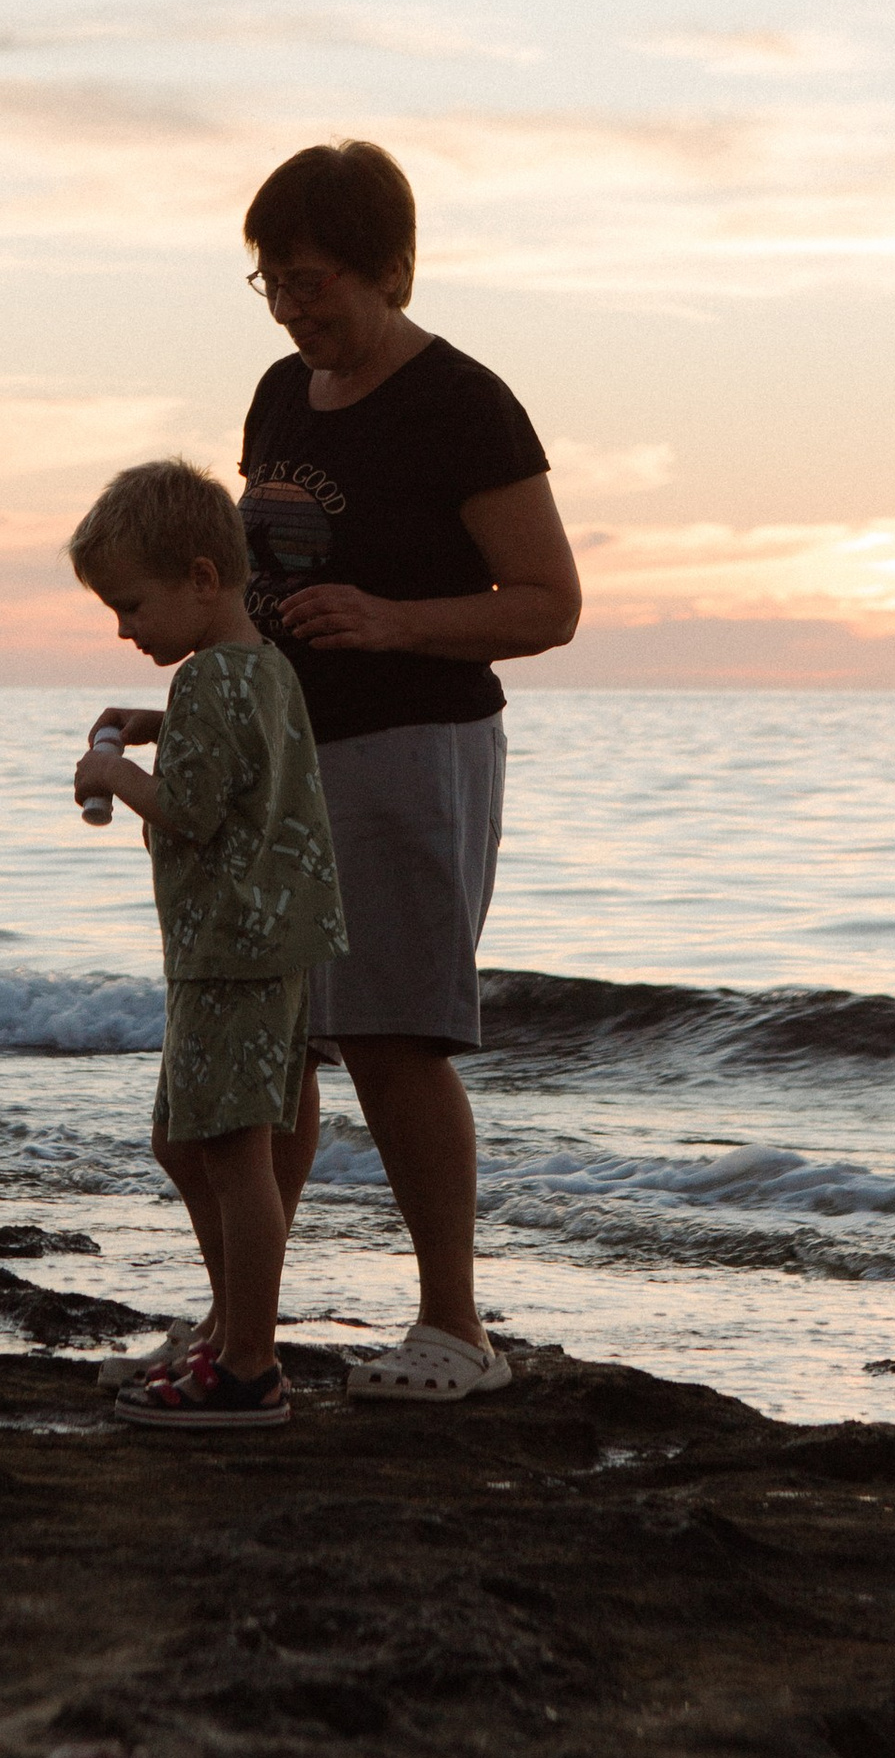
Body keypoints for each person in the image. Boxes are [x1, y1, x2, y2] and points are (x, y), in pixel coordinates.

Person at [237, 139, 580, 1400]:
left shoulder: (462, 404)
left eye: (313, 280)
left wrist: (390, 619)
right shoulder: (277, 394)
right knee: (269, 1040)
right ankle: (243, 1329)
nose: (291, 305)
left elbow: (548, 604)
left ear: (392, 269)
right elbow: (259, 586)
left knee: (392, 1038)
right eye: (270, 282)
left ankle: (455, 1331)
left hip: (410, 749)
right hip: (280, 749)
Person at [67, 459, 347, 1435]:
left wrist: (110, 769)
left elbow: (186, 808)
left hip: (229, 949)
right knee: (184, 1142)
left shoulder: (209, 681)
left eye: (130, 605)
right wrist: (151, 725)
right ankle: (233, 1323)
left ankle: (249, 1367)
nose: (122, 629)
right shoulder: (259, 665)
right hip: (262, 944)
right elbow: (233, 762)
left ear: (198, 578)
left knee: (231, 1158)